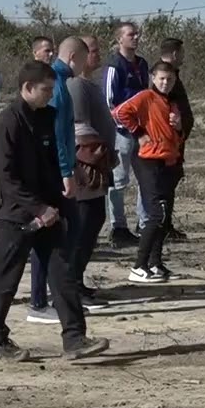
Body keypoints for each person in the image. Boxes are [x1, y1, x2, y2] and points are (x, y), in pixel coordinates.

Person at [0, 60, 109, 362]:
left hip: (50, 209)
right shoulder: (6, 123)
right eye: (46, 90)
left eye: (53, 89)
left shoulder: (48, 117)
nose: (50, 96)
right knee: (6, 277)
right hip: (16, 213)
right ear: (27, 88)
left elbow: (52, 163)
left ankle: (75, 338)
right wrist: (37, 209)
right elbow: (6, 178)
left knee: (62, 270)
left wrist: (59, 206)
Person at [25, 36, 85, 324]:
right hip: (55, 175)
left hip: (58, 170)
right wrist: (66, 172)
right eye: (85, 58)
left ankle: (55, 296)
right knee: (55, 234)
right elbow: (59, 134)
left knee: (64, 232)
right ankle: (39, 301)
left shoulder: (59, 82)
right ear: (74, 56)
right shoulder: (58, 85)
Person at [112, 61, 185, 283]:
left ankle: (155, 263)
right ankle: (138, 266)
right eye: (162, 78)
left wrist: (179, 126)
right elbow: (120, 112)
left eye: (170, 79)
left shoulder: (172, 103)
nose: (165, 82)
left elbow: (176, 136)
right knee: (156, 214)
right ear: (153, 77)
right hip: (148, 160)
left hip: (168, 162)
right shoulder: (145, 96)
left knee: (165, 216)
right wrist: (139, 133)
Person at [65, 34, 118, 303]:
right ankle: (70, 284)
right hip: (85, 167)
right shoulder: (76, 86)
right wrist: (99, 152)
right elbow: (78, 129)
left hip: (98, 165)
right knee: (85, 222)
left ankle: (76, 279)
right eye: (93, 51)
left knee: (94, 220)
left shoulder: (91, 84)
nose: (98, 56)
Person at [103, 21, 150, 247]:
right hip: (122, 131)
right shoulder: (115, 66)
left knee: (144, 177)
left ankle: (143, 223)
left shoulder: (141, 64)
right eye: (131, 34)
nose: (136, 37)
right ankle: (118, 227)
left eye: (137, 34)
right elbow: (110, 102)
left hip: (142, 130)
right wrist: (127, 125)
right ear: (119, 39)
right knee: (118, 180)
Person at [159, 38, 194, 242]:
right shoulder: (164, 77)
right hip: (168, 141)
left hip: (177, 139)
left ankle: (166, 224)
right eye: (181, 53)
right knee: (164, 185)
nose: (182, 57)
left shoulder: (174, 77)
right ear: (174, 54)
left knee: (170, 183)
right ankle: (160, 225)